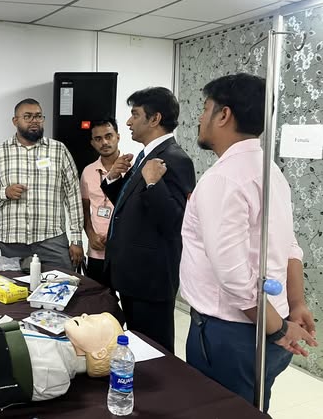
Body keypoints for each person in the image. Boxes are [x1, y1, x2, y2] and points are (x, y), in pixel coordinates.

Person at [179, 73, 317, 411]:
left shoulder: (223, 179)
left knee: (221, 411)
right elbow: (289, 246)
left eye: (205, 108)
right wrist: (296, 304)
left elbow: (234, 277)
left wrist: (278, 330)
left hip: (233, 334)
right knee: (252, 407)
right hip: (267, 322)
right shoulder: (270, 172)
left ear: (223, 115)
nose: (200, 118)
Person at [101, 87, 196, 352]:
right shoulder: (147, 156)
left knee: (155, 351)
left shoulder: (175, 159)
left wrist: (154, 184)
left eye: (135, 115)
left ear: (155, 119)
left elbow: (175, 221)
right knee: (137, 345)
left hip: (150, 279)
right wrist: (113, 178)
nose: (128, 122)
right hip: (132, 274)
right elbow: (133, 207)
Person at [0, 312, 124, 413]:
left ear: (99, 353)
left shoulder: (59, 376)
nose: (84, 315)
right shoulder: (55, 351)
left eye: (93, 321)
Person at [0, 98, 83, 270]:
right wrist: (5, 192)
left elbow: (73, 196)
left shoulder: (59, 150)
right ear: (15, 121)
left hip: (52, 240)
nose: (34, 121)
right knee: (14, 287)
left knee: (63, 283)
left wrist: (77, 239)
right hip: (12, 243)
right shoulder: (0, 152)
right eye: (27, 116)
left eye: (38, 116)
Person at [80, 118, 120, 286]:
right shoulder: (88, 172)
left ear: (118, 137)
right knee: (97, 296)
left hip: (124, 250)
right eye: (98, 139)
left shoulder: (132, 168)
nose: (104, 142)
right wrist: (90, 235)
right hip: (97, 251)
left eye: (108, 136)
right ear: (92, 143)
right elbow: (84, 210)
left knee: (127, 298)